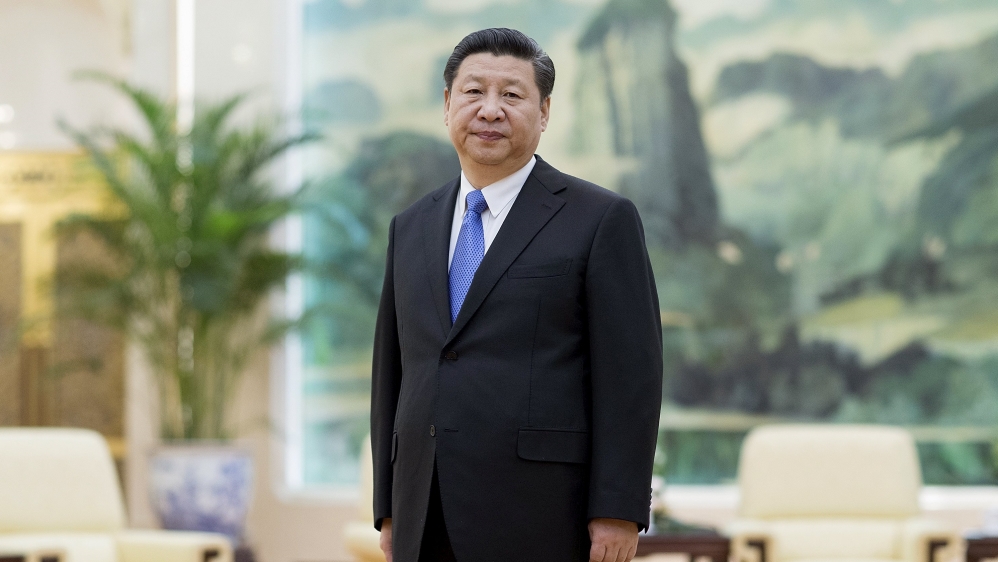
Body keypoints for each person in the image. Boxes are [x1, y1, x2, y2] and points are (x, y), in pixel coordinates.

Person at [370, 27, 663, 562]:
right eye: (473, 92)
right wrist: (388, 505)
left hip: (543, 512)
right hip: (423, 508)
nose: (489, 110)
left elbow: (631, 377)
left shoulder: (600, 219)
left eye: (511, 95)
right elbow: (393, 372)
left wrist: (618, 510)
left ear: (544, 112)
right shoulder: (410, 226)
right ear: (446, 104)